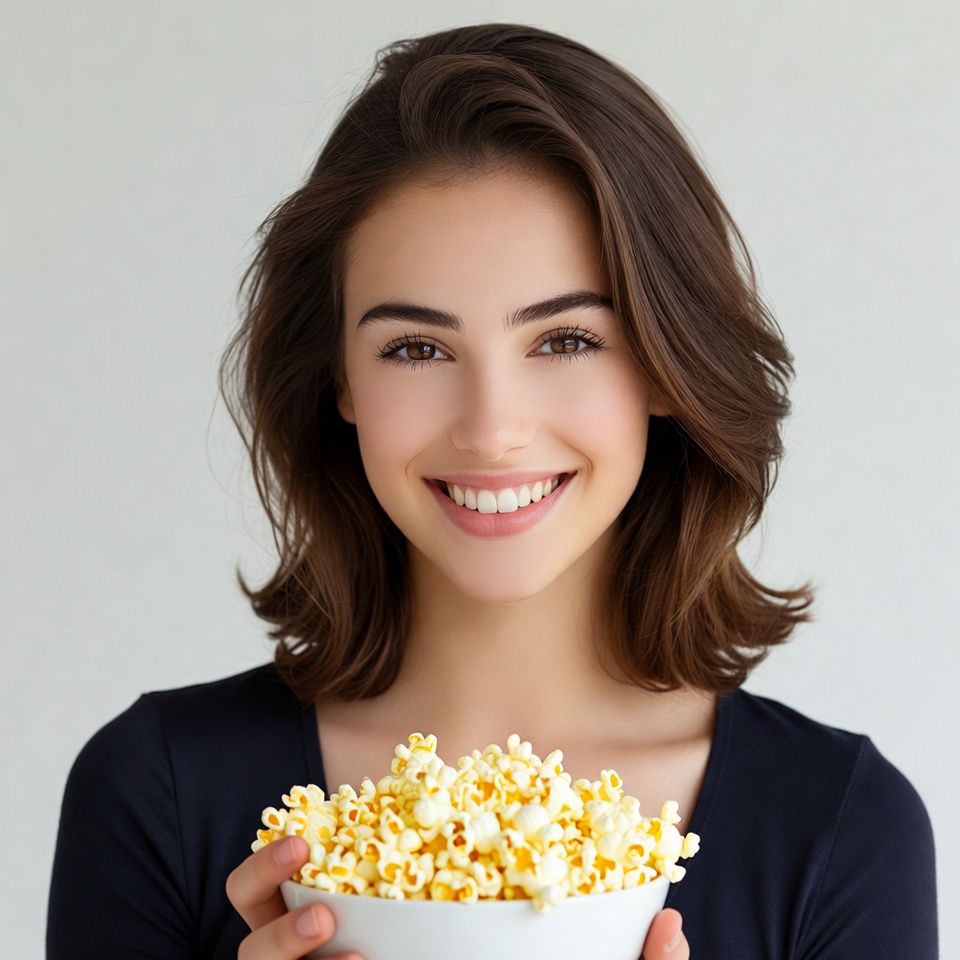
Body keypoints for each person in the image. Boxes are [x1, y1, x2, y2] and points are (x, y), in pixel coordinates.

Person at [47, 23, 937, 960]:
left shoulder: (843, 830)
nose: (492, 427)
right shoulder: (153, 790)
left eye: (566, 340)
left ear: (665, 367)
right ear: (339, 380)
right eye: (416, 349)